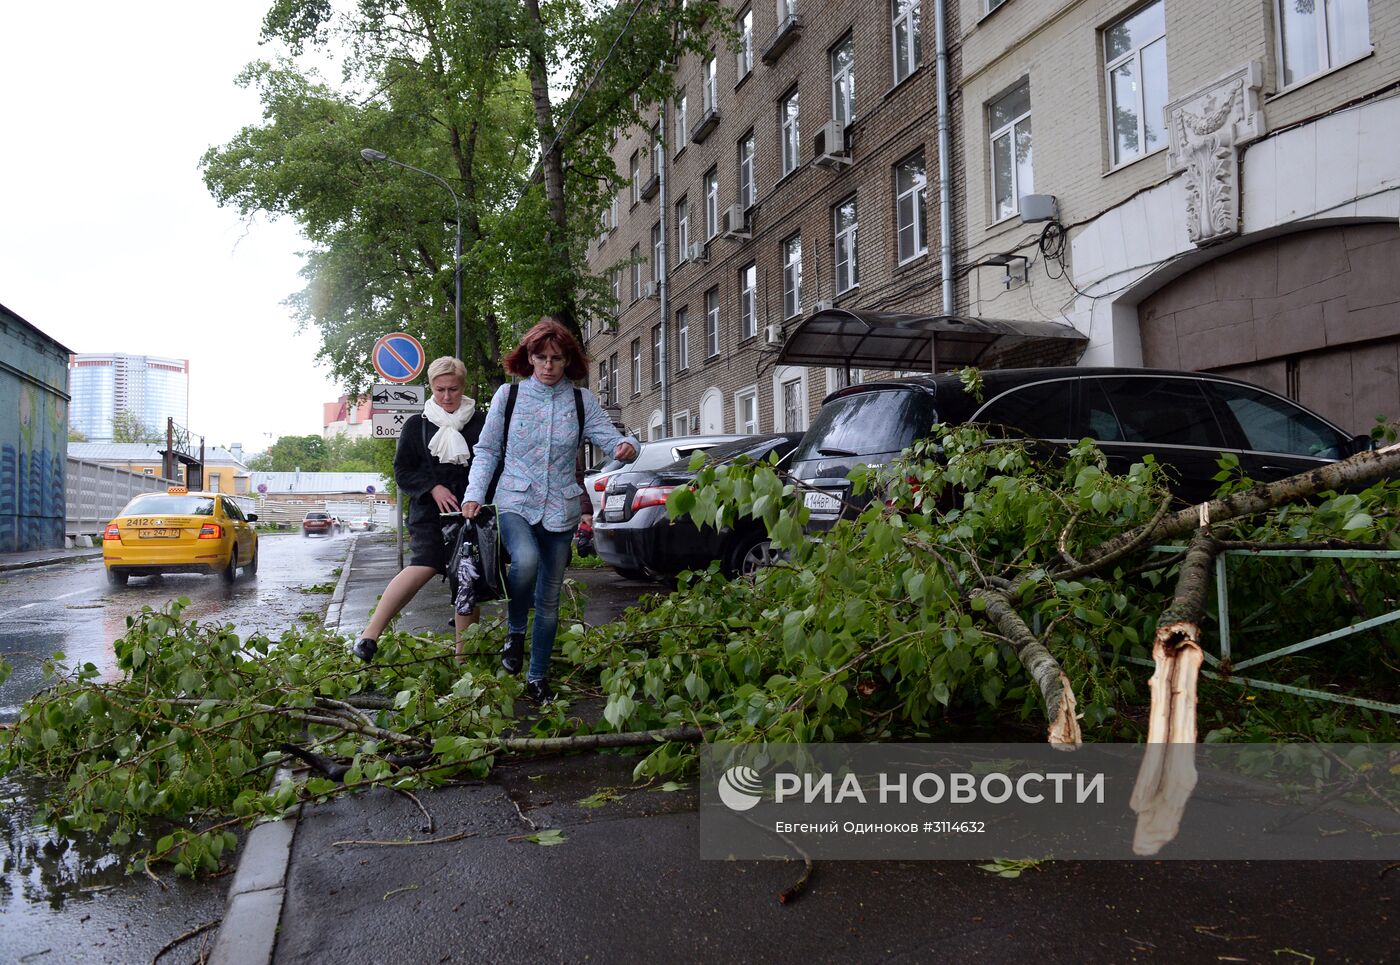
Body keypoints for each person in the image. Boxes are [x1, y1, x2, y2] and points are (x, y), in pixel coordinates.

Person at [463, 317, 637, 702]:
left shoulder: (581, 401)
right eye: (540, 357)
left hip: (561, 506)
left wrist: (627, 448)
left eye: (556, 359)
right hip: (515, 500)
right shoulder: (508, 398)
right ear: (528, 357)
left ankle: (537, 676)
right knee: (524, 562)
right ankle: (514, 633)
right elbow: (488, 450)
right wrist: (474, 493)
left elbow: (611, 440)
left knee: (550, 597)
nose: (548, 366)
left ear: (567, 361)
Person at [353, 356, 487, 663]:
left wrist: (477, 498)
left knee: (468, 577)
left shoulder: (481, 422)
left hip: (472, 512)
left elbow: (493, 462)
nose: (447, 396)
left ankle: (463, 660)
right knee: (424, 563)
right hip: (428, 512)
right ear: (432, 388)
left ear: (463, 387)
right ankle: (369, 636)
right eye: (440, 390)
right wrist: (432, 487)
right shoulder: (417, 425)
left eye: (453, 389)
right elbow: (402, 471)